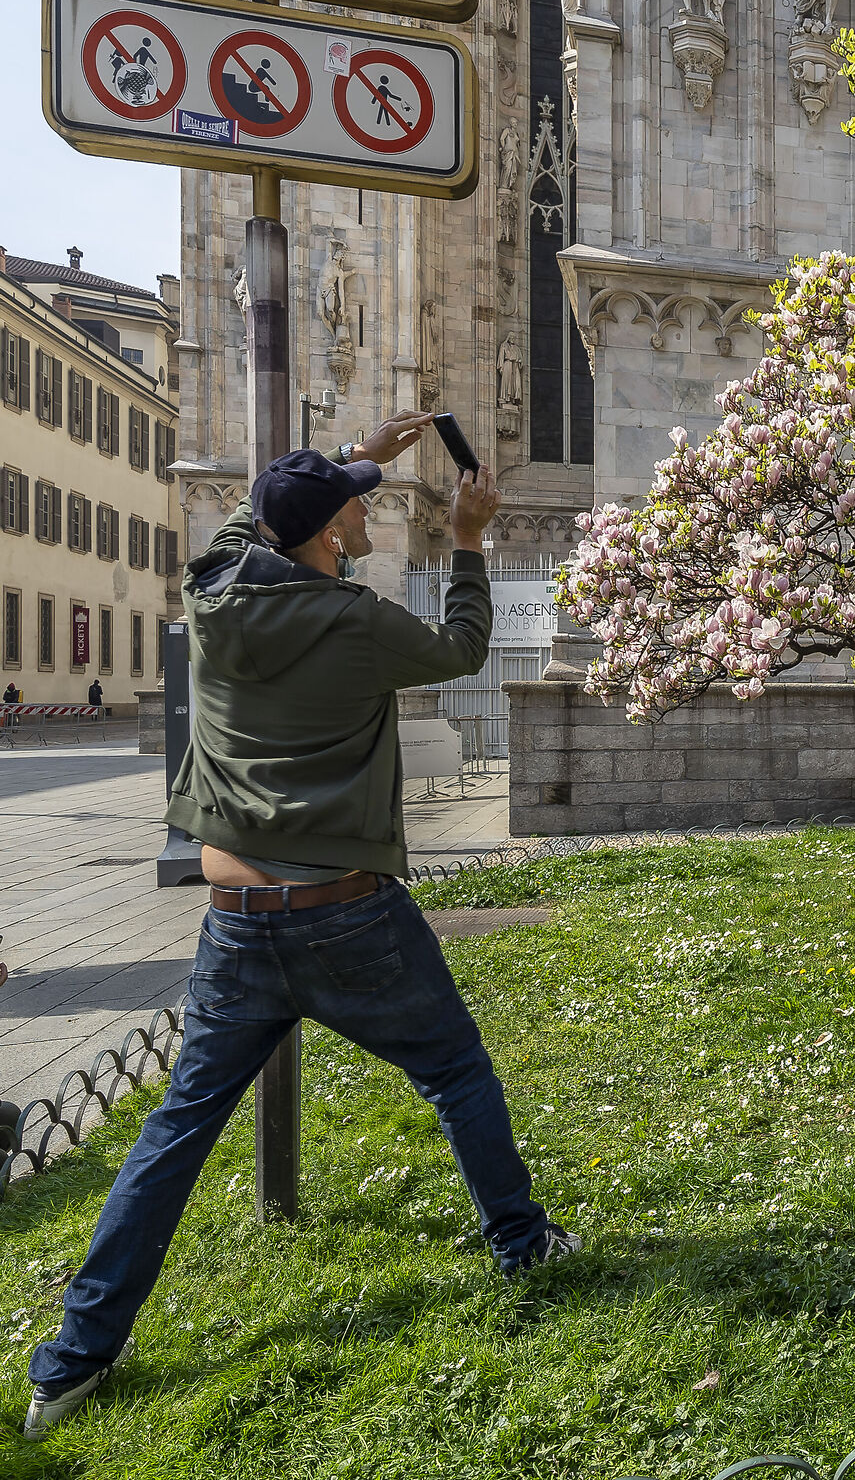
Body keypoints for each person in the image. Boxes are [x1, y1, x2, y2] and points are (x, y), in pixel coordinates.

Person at [23, 415, 577, 1443]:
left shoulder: (212, 590)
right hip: (347, 913)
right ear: (328, 535)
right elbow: (462, 647)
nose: (369, 512)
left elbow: (252, 520)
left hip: (235, 922)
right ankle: (522, 1241)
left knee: (176, 1132)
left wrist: (354, 458)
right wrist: (466, 539)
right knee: (456, 1071)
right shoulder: (353, 619)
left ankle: (73, 1362)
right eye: (356, 505)